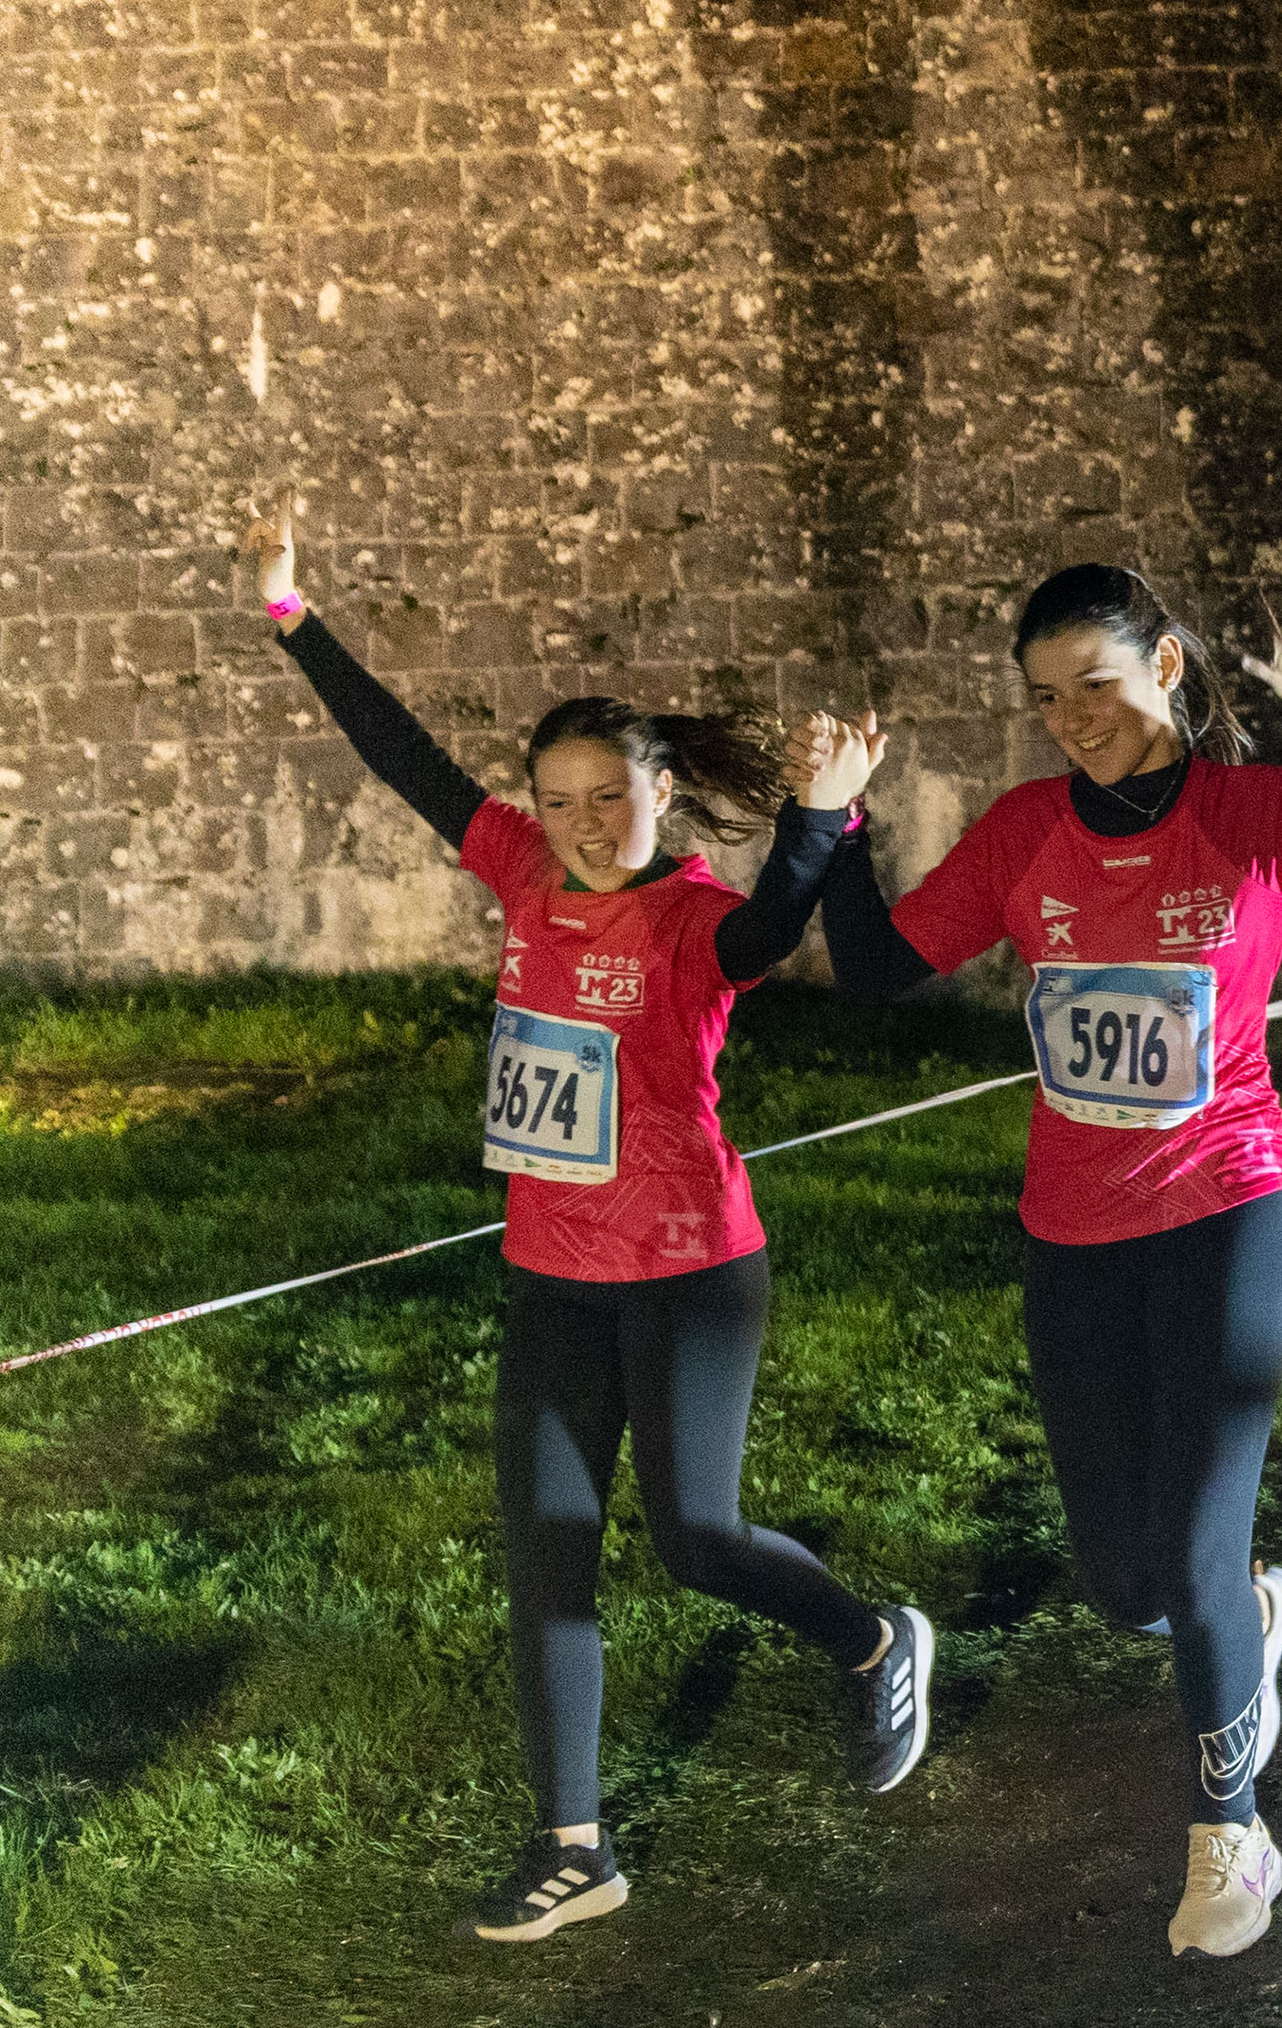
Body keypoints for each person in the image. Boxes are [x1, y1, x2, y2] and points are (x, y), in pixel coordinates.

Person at [241, 502, 932, 1948]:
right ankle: (573, 1844)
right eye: (557, 797)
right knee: (546, 1550)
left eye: (609, 794)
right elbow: (404, 755)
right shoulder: (515, 870)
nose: (581, 821)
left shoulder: (688, 917)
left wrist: (819, 820)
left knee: (693, 1537)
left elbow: (765, 936)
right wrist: (293, 613)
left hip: (691, 1272)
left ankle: (870, 1634)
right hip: (552, 1274)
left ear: (662, 794)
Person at [817, 503, 1282, 1960]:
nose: (1072, 724)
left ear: (1166, 667)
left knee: (1181, 1562)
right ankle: (1245, 1607)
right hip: (1074, 1240)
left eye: (1096, 689)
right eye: (1047, 701)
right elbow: (871, 966)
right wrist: (836, 825)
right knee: (1123, 1583)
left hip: (1230, 1212)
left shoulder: (1245, 812)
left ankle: (1231, 1829)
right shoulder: (1023, 834)